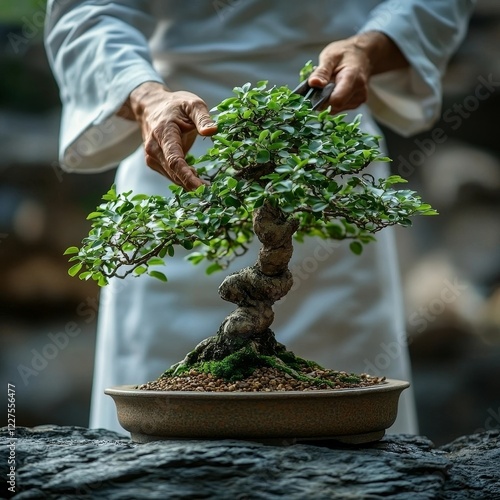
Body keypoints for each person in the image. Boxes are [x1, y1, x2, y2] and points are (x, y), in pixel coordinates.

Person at [44, 0, 474, 435]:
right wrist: (145, 96)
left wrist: (374, 44)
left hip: (326, 146)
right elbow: (87, 11)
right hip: (183, 146)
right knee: (159, 429)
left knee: (345, 430)